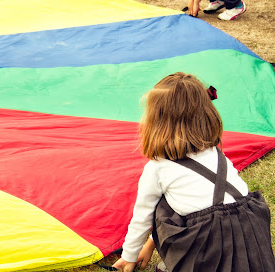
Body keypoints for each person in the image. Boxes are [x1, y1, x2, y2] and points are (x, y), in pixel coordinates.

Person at [112, 72, 275, 272]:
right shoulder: (216, 154)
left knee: (159, 204)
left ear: (157, 123)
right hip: (249, 234)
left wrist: (129, 256)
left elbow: (143, 217)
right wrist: (148, 246)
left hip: (208, 244)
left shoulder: (157, 169)